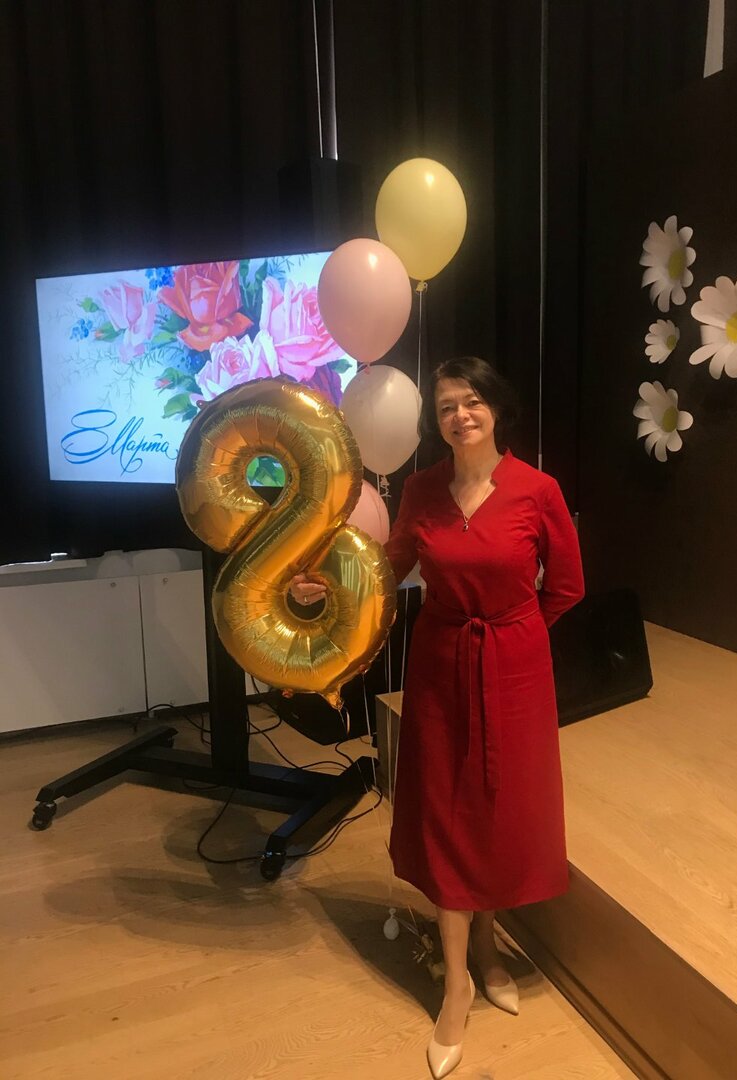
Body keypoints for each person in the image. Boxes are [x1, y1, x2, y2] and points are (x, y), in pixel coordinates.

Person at [291, 356, 584, 1079]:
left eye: (473, 401)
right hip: (440, 665)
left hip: (513, 670)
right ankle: (456, 984)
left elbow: (568, 587)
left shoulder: (538, 490)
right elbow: (385, 571)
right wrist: (322, 584)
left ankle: (486, 945)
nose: (460, 415)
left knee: (497, 809)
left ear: (497, 410)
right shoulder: (422, 490)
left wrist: (515, 633)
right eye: (448, 405)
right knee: (449, 812)